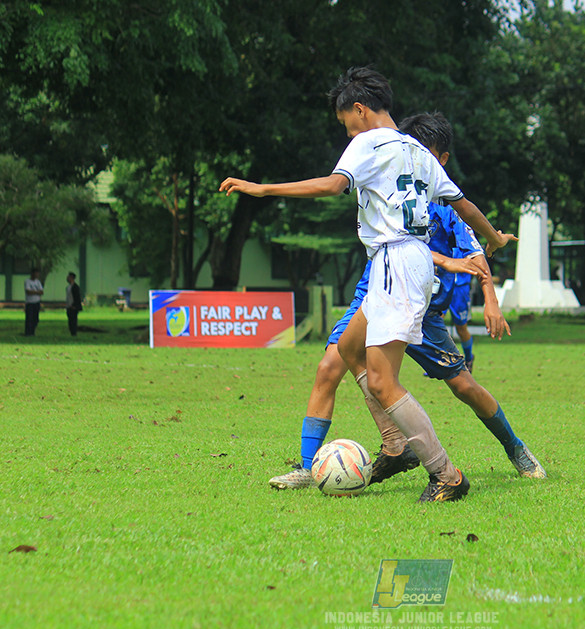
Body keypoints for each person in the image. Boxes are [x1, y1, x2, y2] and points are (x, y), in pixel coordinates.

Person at [220, 67, 514, 502]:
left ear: (359, 110)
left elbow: (333, 184)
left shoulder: (367, 142)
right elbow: (464, 205)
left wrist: (263, 190)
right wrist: (494, 239)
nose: (347, 132)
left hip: (397, 261)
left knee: (381, 382)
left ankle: (446, 474)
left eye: (345, 123)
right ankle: (395, 446)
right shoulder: (416, 149)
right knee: (347, 350)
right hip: (402, 263)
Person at [265, 112, 545, 492]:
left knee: (463, 386)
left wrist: (491, 299)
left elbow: (475, 252)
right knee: (331, 364)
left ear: (438, 160)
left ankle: (514, 448)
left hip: (419, 306)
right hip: (375, 286)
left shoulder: (444, 203)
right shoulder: (382, 169)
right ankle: (316, 463)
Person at [448, 258, 475, 372]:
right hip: (443, 284)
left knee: (461, 328)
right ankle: (437, 362)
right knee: (435, 321)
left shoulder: (464, 241)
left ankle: (469, 358)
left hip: (460, 288)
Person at [23, 269, 43, 336]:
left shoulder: (38, 282)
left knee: (35, 319)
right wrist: (37, 292)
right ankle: (28, 332)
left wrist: (34, 292)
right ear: (32, 273)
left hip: (36, 302)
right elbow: (28, 292)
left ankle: (32, 331)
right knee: (29, 318)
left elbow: (41, 292)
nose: (37, 275)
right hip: (30, 303)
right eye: (36, 273)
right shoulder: (27, 282)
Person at [65, 272, 83, 336]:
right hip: (68, 306)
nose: (67, 278)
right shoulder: (68, 287)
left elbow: (77, 297)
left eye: (69, 277)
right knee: (70, 320)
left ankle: (74, 332)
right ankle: (72, 332)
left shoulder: (75, 287)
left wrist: (74, 305)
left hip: (73, 307)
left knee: (73, 320)